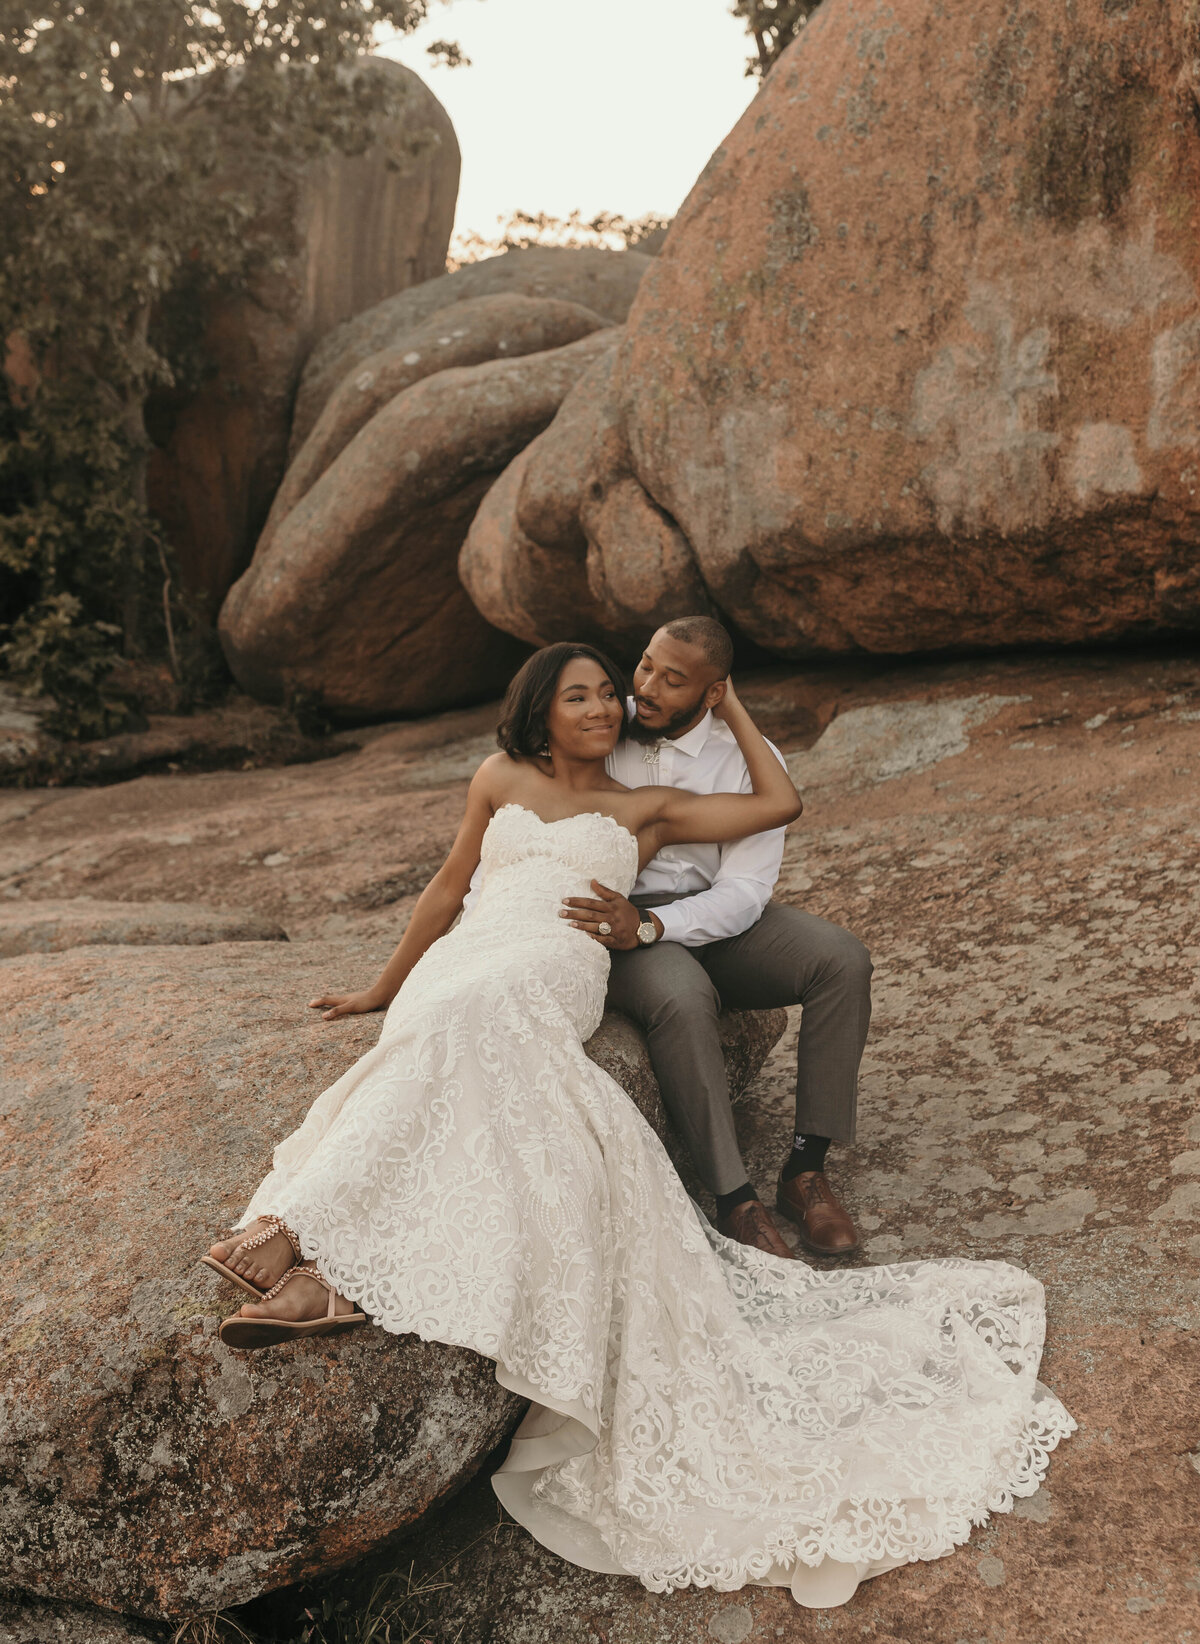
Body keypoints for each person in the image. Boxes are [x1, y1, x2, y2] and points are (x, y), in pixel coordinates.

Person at [204, 642, 1072, 1610]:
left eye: (608, 694)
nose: (607, 708)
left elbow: (779, 806)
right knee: (437, 1029)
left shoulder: (641, 808)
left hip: (555, 961)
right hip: (473, 955)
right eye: (581, 697)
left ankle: (310, 1242)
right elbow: (449, 888)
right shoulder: (496, 776)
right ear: (539, 712)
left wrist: (733, 704)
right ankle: (319, 1265)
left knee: (488, 1021)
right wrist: (381, 985)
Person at [558, 615, 868, 1260]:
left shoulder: (749, 761)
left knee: (842, 960)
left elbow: (746, 893)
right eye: (645, 665)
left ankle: (805, 1172)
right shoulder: (607, 728)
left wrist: (658, 925)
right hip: (617, 913)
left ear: (712, 693)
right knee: (682, 997)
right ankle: (736, 1199)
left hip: (704, 917)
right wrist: (634, 924)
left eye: (673, 681)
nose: (646, 687)